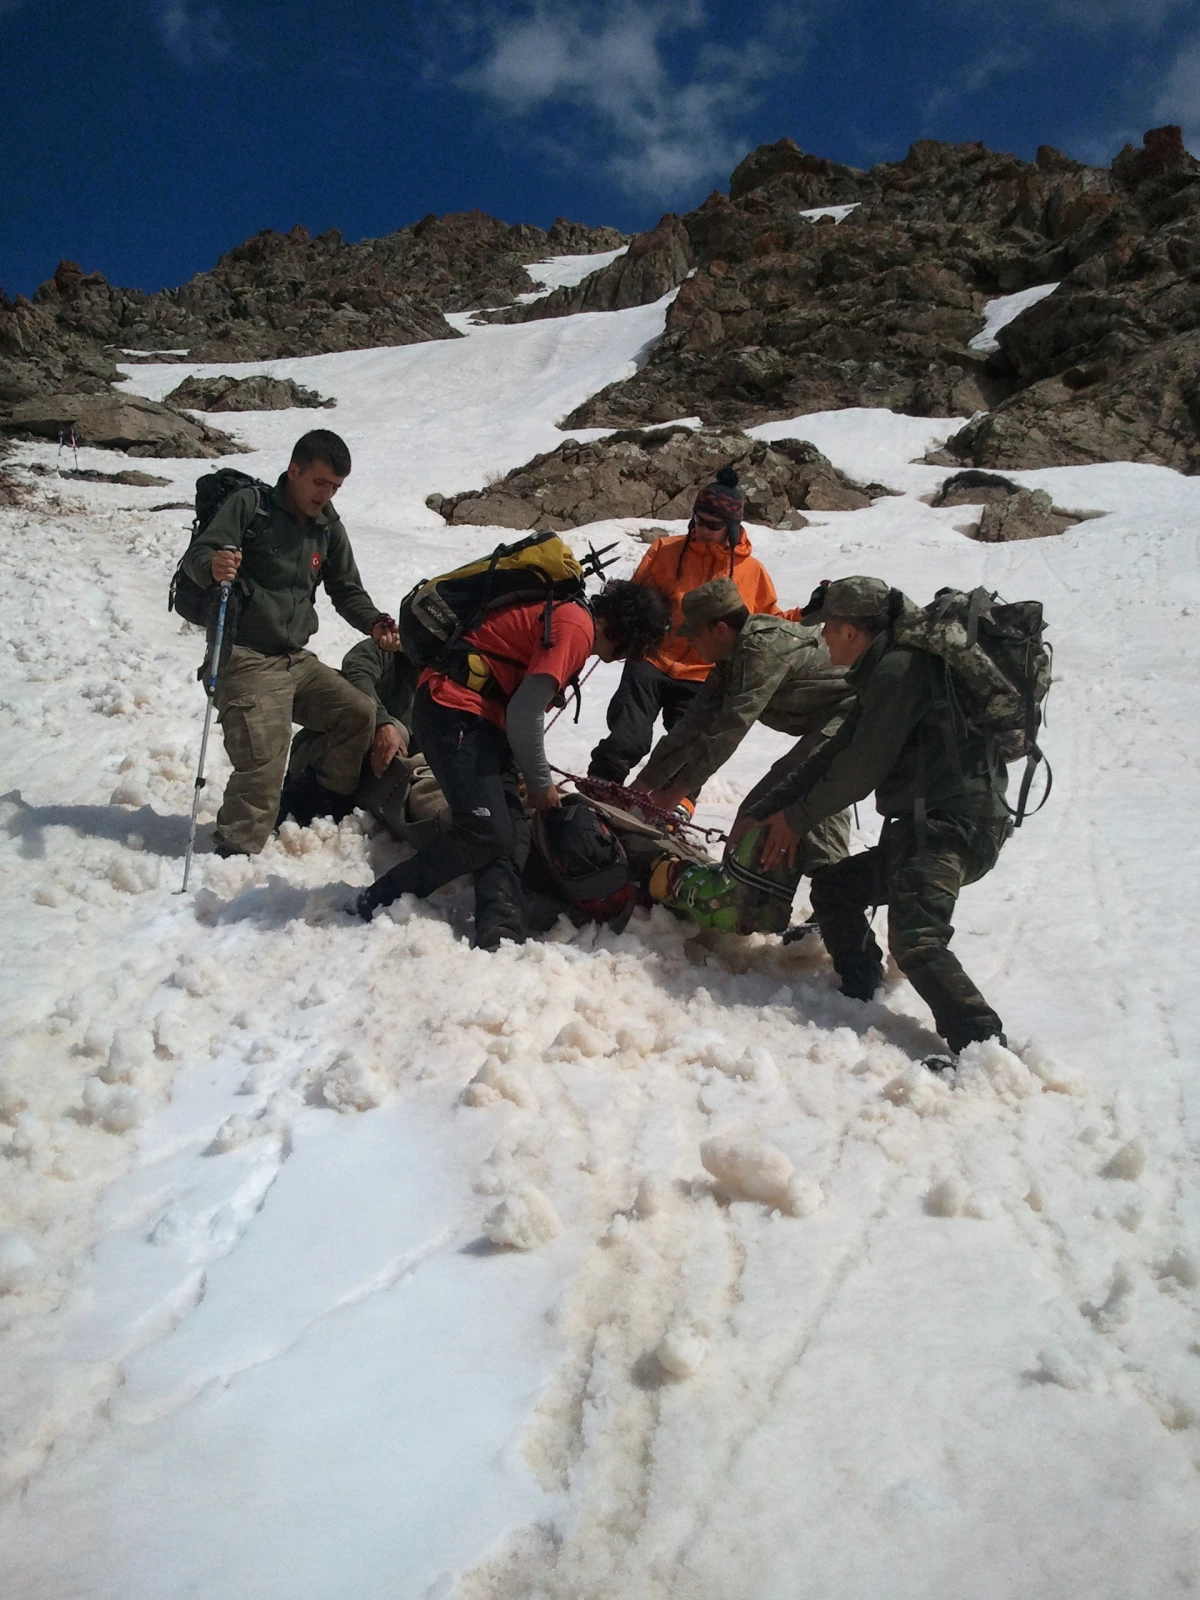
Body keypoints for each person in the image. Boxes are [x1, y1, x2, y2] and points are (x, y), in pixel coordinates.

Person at [745, 575, 1012, 1063]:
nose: (821, 638)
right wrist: (771, 809)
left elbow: (860, 769)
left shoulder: (897, 671)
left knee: (917, 941)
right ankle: (859, 980)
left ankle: (983, 1048)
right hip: (925, 825)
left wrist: (797, 819)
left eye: (827, 628)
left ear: (850, 631)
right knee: (836, 889)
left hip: (950, 826)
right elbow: (836, 751)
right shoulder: (882, 672)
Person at [355, 580, 672, 948]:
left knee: (512, 826)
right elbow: (525, 713)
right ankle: (381, 898)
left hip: (480, 721)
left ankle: (500, 931)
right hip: (453, 711)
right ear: (627, 634)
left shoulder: (568, 618)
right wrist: (540, 785)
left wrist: (524, 772)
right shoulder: (576, 628)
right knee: (484, 829)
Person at [181, 429, 398, 857]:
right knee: (264, 756)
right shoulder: (251, 506)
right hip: (243, 656)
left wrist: (374, 622)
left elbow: (346, 589)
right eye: (320, 483)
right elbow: (197, 556)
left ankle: (312, 804)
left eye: (335, 487)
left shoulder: (327, 527)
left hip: (293, 658)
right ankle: (234, 853)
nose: (326, 495)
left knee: (358, 712)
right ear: (293, 470)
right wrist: (214, 564)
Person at [629, 576, 855, 933]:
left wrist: (670, 796)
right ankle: (830, 915)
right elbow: (691, 728)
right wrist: (640, 789)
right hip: (827, 726)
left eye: (694, 635)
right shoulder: (730, 661)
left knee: (770, 805)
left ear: (719, 629)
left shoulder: (763, 648)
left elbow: (728, 731)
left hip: (850, 719)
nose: (691, 645)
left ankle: (837, 920)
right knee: (796, 809)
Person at [587, 467, 796, 792]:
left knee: (684, 750)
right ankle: (600, 786)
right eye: (697, 520)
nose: (702, 529)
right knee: (629, 734)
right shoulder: (664, 550)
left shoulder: (752, 572)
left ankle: (671, 811)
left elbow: (770, 621)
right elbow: (634, 602)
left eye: (713, 525)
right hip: (651, 660)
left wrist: (809, 615)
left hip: (704, 675)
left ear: (731, 527)